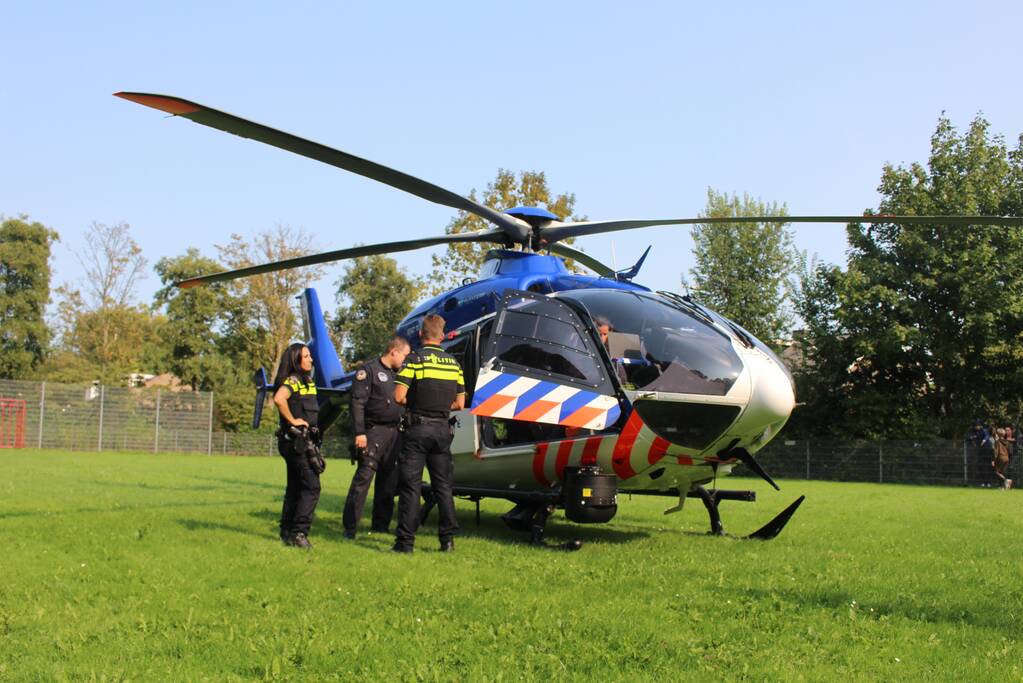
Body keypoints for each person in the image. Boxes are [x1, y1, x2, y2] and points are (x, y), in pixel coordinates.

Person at [392, 314, 465, 553]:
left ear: (421, 335)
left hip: (417, 429)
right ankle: (447, 541)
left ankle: (405, 543)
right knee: (443, 486)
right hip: (442, 430)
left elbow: (399, 397)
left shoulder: (415, 360)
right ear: (442, 336)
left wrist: (417, 404)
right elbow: (460, 404)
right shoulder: (454, 364)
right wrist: (441, 407)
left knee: (411, 486)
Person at [341, 336, 411, 538]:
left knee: (389, 482)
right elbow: (357, 403)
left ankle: (381, 525)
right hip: (373, 432)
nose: (405, 360)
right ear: (394, 351)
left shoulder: (400, 374)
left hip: (395, 433)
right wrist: (360, 432)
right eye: (404, 356)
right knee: (363, 479)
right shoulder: (369, 371)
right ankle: (350, 527)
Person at [272, 342, 321, 548]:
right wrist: (293, 421)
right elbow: (279, 399)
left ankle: (286, 532)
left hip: (300, 442)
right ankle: (299, 533)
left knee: (295, 487)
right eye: (307, 356)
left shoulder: (307, 381)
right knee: (312, 486)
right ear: (296, 360)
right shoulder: (293, 380)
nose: (311, 359)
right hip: (296, 443)